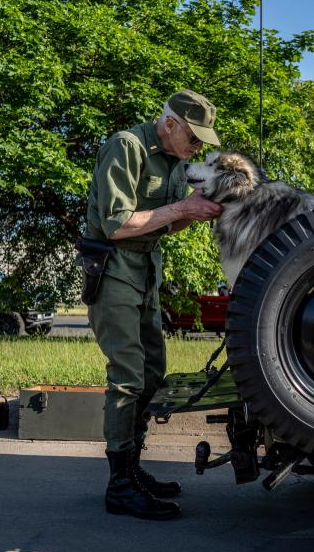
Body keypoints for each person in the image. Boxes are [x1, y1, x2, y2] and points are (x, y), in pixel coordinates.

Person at [85, 90, 222, 520]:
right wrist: (183, 206)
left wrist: (199, 211)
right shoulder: (126, 146)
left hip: (146, 270)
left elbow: (168, 225)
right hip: (115, 269)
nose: (198, 148)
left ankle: (133, 469)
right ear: (169, 124)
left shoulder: (176, 163)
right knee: (127, 374)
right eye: (194, 138)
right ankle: (119, 485)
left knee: (151, 374)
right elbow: (118, 223)